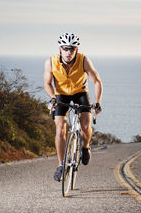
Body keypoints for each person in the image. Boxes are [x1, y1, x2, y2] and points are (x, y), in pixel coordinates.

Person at [44, 33, 103, 181]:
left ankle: (85, 147)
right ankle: (61, 164)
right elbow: (47, 83)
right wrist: (52, 98)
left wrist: (97, 102)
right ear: (60, 49)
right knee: (60, 127)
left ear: (76, 50)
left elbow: (97, 81)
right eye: (65, 49)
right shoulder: (51, 62)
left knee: (85, 125)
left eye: (72, 49)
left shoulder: (84, 60)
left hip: (80, 93)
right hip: (61, 95)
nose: (68, 52)